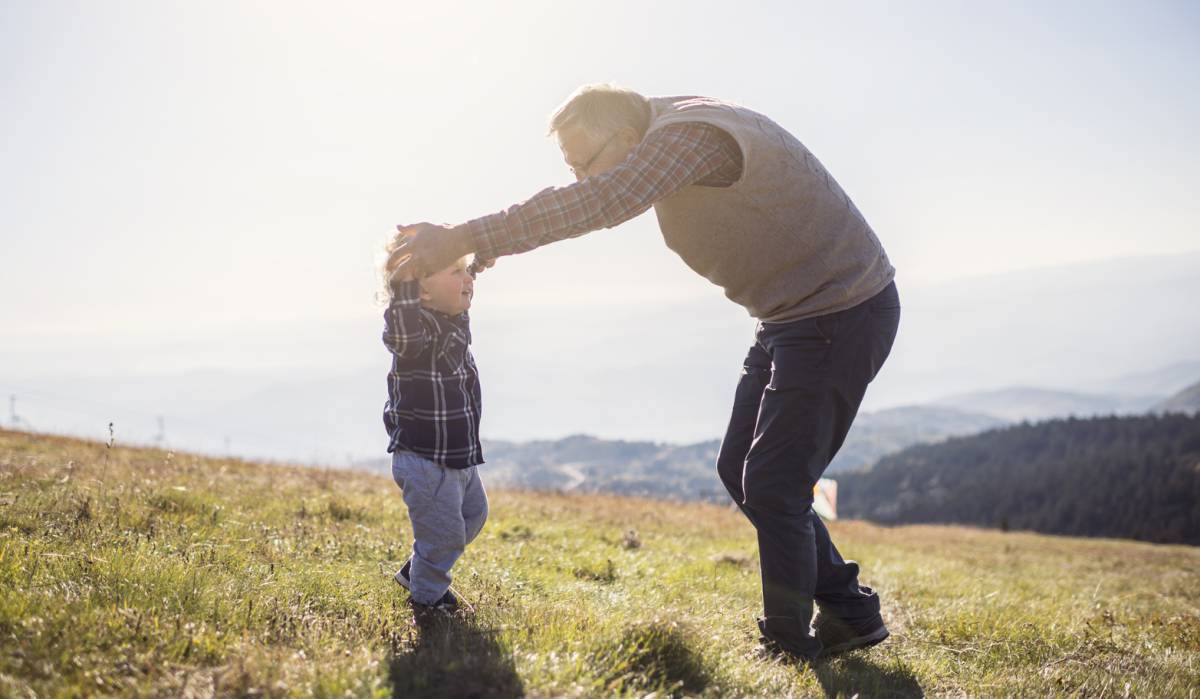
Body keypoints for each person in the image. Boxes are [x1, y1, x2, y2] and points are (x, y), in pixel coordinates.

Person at [390, 84, 900, 660]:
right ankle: (851, 610)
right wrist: (498, 242)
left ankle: (788, 642)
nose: (583, 177)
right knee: (742, 469)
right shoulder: (667, 126)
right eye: (572, 167)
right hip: (791, 318)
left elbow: (602, 201)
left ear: (628, 138)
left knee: (775, 482)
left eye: (585, 162)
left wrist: (467, 235)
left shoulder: (690, 136)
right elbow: (594, 193)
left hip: (840, 313)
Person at [381, 235, 489, 612]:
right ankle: (427, 602)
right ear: (420, 291)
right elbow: (403, 327)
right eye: (456, 271)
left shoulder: (453, 321)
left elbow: (459, 292)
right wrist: (405, 281)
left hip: (459, 457)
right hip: (426, 460)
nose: (468, 279)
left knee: (473, 517)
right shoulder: (415, 335)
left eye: (467, 271)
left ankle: (417, 571)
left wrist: (477, 261)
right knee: (444, 537)